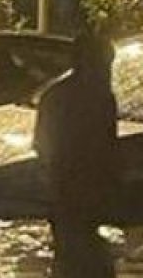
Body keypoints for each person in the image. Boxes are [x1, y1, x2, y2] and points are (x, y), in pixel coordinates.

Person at [34, 31, 119, 253]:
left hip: (75, 185)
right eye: (104, 62)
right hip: (73, 184)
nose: (107, 69)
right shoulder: (89, 96)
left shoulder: (62, 95)